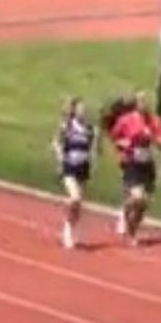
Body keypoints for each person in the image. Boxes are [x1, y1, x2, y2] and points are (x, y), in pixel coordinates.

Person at [108, 92, 161, 246]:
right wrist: (123, 144)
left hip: (147, 163)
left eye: (147, 101)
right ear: (136, 103)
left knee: (144, 203)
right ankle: (124, 210)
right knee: (137, 197)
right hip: (131, 161)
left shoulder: (153, 120)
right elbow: (114, 137)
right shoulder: (126, 120)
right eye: (142, 101)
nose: (145, 104)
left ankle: (132, 231)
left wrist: (157, 141)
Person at [53, 97, 98, 250]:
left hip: (83, 168)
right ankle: (67, 231)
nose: (83, 111)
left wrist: (93, 157)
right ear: (74, 110)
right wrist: (60, 157)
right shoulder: (67, 126)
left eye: (84, 109)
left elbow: (93, 147)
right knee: (75, 198)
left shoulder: (89, 129)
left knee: (78, 205)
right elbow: (57, 142)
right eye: (80, 108)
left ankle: (71, 229)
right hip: (69, 167)